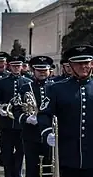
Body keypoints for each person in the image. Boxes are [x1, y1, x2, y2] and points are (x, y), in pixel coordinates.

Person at [39, 45, 93, 177]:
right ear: (70, 65)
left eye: (86, 62)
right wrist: (47, 133)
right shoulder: (57, 88)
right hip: (67, 155)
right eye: (78, 63)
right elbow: (44, 114)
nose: (83, 66)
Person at [0, 55, 32, 177]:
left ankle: (17, 174)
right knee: (6, 153)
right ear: (9, 66)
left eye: (18, 66)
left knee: (20, 153)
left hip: (21, 125)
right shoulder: (2, 82)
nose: (16, 68)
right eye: (14, 66)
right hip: (6, 123)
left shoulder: (27, 83)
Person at [14, 56, 54, 177]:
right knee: (32, 168)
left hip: (50, 134)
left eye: (44, 70)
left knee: (49, 167)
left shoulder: (56, 87)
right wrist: (26, 119)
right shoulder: (25, 88)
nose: (42, 73)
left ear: (49, 70)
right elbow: (16, 109)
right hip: (31, 133)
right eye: (39, 70)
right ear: (33, 70)